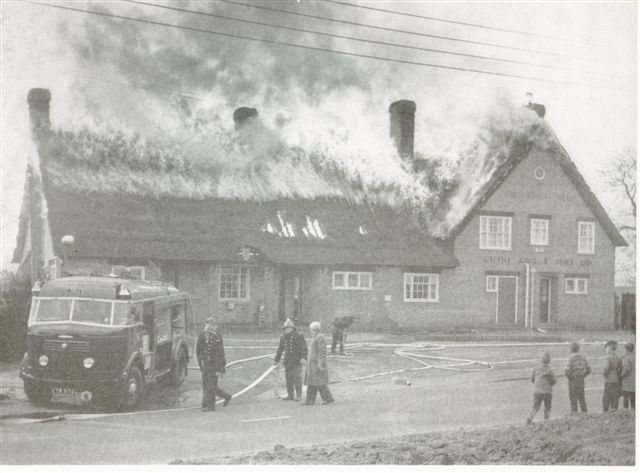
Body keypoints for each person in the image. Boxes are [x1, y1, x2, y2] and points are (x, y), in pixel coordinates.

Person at [196, 317, 231, 411]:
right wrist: (200, 364)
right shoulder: (203, 335)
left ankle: (213, 405)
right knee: (206, 385)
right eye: (208, 323)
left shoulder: (217, 337)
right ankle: (206, 402)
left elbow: (220, 353)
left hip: (213, 365)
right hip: (206, 364)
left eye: (211, 324)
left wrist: (221, 369)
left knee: (211, 386)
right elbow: (199, 349)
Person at [274, 318, 308, 401]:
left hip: (297, 360)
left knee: (297, 378)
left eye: (288, 328)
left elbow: (304, 348)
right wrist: (276, 359)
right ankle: (290, 395)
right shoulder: (283, 337)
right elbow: (280, 349)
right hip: (288, 361)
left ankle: (299, 395)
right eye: (285, 328)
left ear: (292, 328)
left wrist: (303, 357)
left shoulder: (298, 335)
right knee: (289, 379)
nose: (287, 330)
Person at [304, 321, 335, 405]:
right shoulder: (317, 336)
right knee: (315, 382)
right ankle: (323, 399)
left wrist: (320, 363)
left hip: (316, 364)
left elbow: (322, 351)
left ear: (313, 329)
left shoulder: (319, 337)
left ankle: (313, 400)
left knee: (318, 383)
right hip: (313, 364)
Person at [526, 352, 556, 425]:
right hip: (547, 391)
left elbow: (532, 379)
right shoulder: (550, 369)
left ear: (541, 360)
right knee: (547, 407)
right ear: (549, 361)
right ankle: (546, 421)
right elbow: (554, 381)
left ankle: (529, 419)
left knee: (535, 407)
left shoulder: (536, 369)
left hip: (537, 391)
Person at [564, 342, 591, 413]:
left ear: (571, 349)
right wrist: (583, 375)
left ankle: (574, 413)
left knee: (573, 398)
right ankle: (585, 412)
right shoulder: (583, 358)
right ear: (578, 349)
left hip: (573, 380)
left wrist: (570, 378)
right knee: (582, 397)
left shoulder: (570, 359)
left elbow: (567, 371)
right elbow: (589, 369)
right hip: (581, 379)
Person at [602, 340, 623, 412]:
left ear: (609, 348)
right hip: (616, 380)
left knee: (606, 398)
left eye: (606, 347)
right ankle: (614, 412)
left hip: (609, 380)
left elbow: (606, 368)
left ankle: (606, 413)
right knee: (615, 398)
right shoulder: (618, 357)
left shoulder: (608, 358)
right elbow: (621, 369)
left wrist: (604, 374)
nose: (606, 349)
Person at [621, 342, 635, 409]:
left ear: (627, 349)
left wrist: (621, 375)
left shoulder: (627, 358)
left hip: (627, 382)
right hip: (634, 382)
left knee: (626, 399)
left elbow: (627, 369)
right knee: (633, 400)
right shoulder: (635, 357)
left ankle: (626, 413)